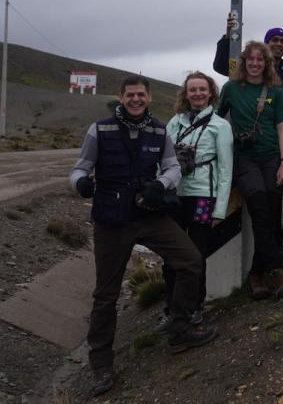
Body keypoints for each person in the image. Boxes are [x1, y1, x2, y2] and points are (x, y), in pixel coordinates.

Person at [70, 75, 216, 397]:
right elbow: (79, 169)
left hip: (149, 216)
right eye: (130, 95)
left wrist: (160, 185)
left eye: (141, 95)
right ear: (121, 97)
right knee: (106, 295)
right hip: (111, 222)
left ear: (148, 98)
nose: (136, 99)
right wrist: (81, 184)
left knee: (190, 260)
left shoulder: (159, 130)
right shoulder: (100, 129)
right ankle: (102, 365)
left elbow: (173, 167)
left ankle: (179, 329)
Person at [218, 42, 283, 300]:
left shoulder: (275, 90)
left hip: (272, 157)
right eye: (250, 60)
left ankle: (256, 273)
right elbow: (217, 120)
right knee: (261, 208)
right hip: (245, 159)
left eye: (259, 60)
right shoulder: (231, 89)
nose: (254, 64)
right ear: (244, 62)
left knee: (272, 213)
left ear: (266, 63)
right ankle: (276, 270)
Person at [158, 71, 233, 331]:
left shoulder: (220, 126)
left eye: (203, 89)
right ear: (186, 93)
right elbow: (163, 160)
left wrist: (220, 209)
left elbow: (226, 170)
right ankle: (170, 308)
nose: (198, 94)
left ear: (211, 92)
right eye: (193, 90)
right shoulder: (173, 123)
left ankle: (194, 307)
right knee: (170, 254)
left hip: (203, 196)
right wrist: (159, 191)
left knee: (197, 252)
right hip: (175, 195)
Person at [213, 21, 283, 109]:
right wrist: (227, 37)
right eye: (275, 40)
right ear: (266, 43)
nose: (279, 44)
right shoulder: (251, 67)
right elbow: (220, 66)